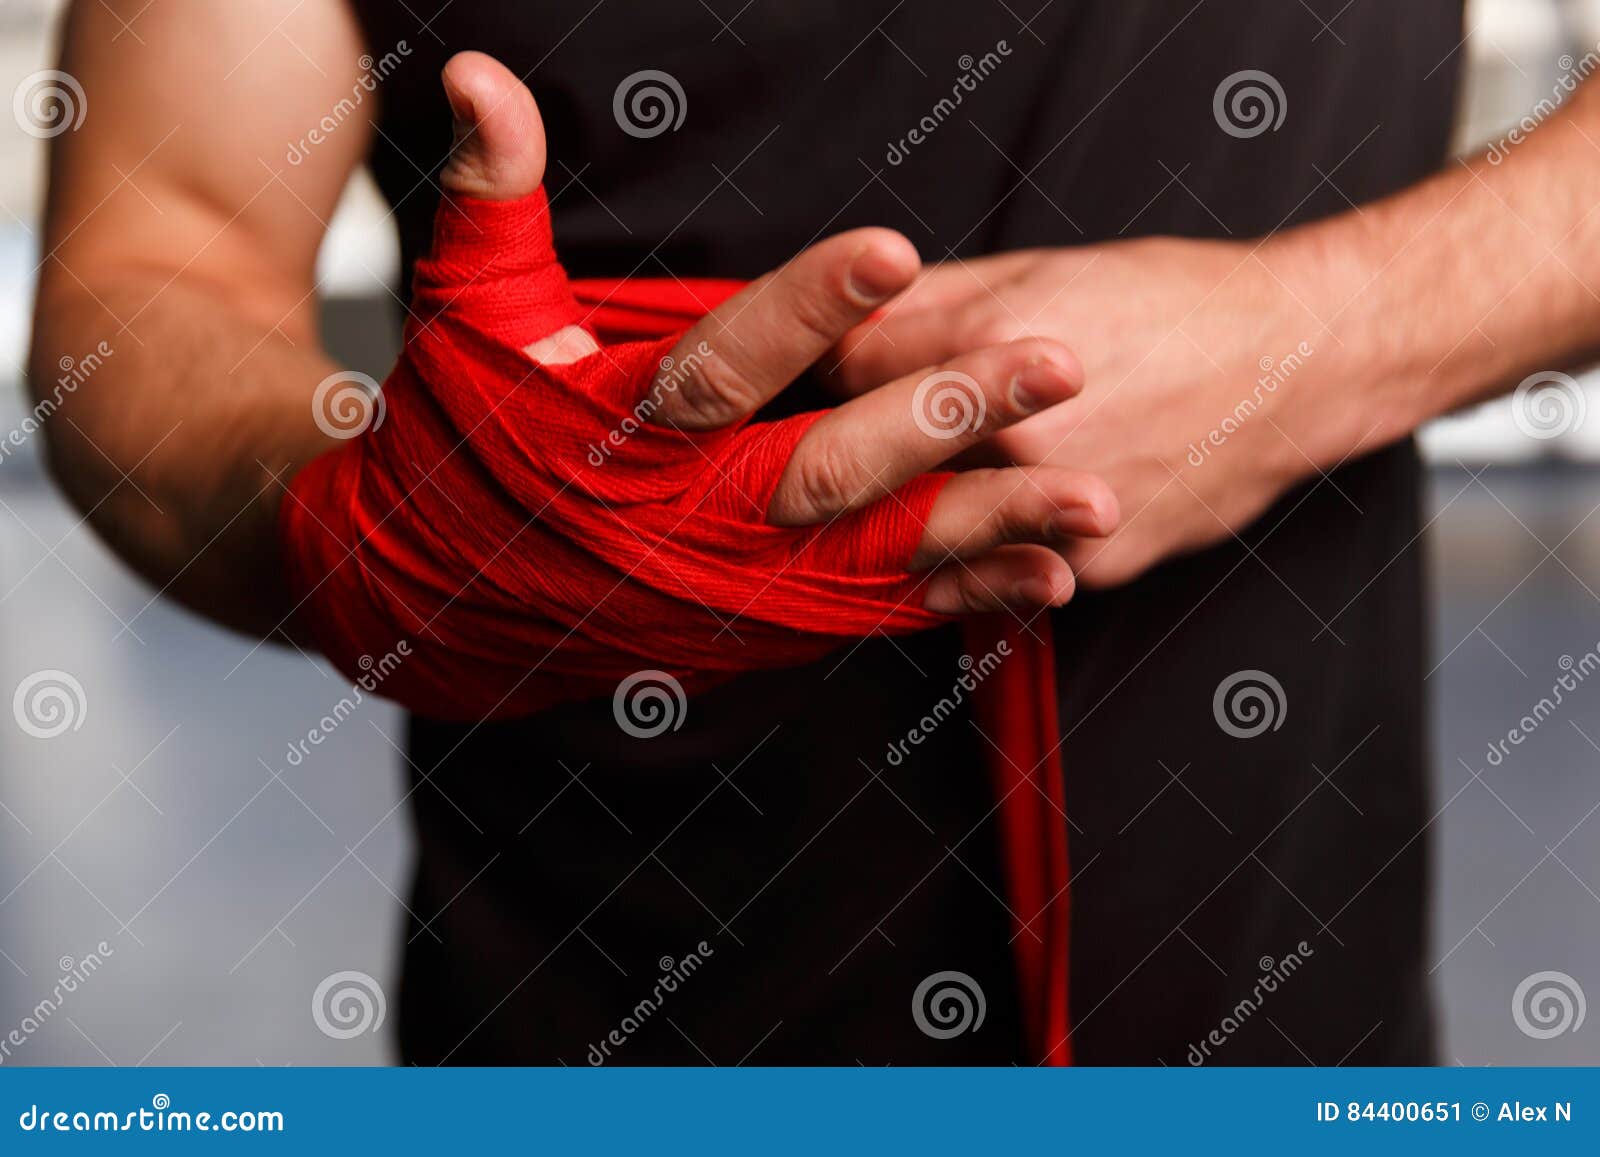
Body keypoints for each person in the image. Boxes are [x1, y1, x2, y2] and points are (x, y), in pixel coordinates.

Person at [31, 0, 1560, 1064]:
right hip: (607, 1001)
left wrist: (1310, 334)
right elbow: (159, 255)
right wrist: (388, 528)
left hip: (1278, 977)